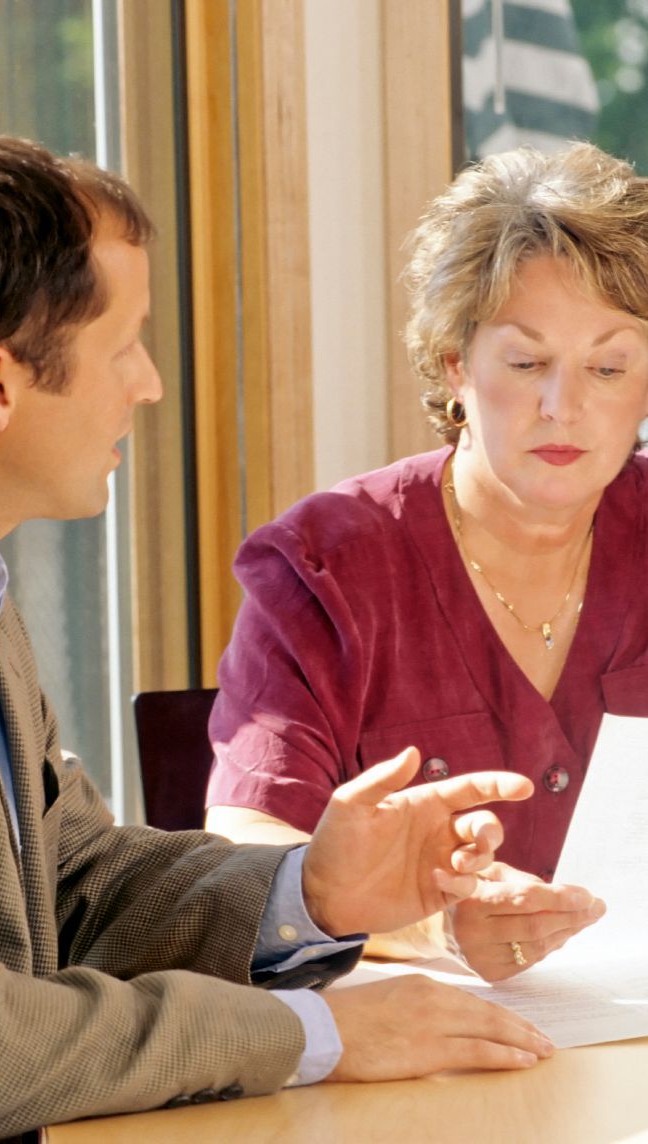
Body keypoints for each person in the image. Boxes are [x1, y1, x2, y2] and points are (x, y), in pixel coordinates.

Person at [0, 131, 554, 1144]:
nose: (149, 384)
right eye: (124, 345)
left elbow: (71, 889)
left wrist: (309, 890)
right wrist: (311, 1035)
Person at [205, 140, 648, 980]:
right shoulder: (325, 567)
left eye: (608, 366)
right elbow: (248, 850)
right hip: (420, 1034)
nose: (564, 406)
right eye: (526, 362)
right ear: (456, 364)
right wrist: (434, 929)